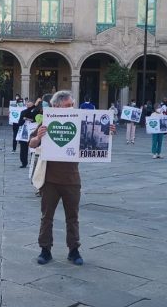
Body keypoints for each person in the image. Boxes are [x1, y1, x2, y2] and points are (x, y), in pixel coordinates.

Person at [29, 90, 115, 266]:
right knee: (47, 217)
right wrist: (38, 136)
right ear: (56, 106)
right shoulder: (47, 122)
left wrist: (107, 131)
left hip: (72, 179)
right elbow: (31, 143)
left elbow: (96, 136)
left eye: (72, 104)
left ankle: (73, 250)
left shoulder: (80, 120)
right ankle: (45, 250)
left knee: (73, 217)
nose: (72, 107)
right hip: (50, 180)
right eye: (68, 105)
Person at [17, 100, 35, 168]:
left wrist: (29, 119)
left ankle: (32, 162)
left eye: (30, 106)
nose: (29, 107)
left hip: (32, 133)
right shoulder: (23, 112)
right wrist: (24, 119)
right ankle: (24, 163)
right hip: (24, 133)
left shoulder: (35, 112)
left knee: (33, 149)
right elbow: (19, 123)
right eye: (28, 106)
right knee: (23, 149)